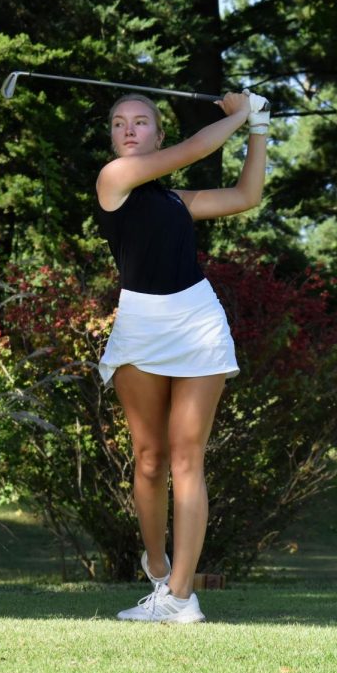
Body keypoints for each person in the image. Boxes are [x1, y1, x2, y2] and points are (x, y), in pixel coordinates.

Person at [95, 88, 269, 623]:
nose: (130, 129)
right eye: (121, 122)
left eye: (141, 122)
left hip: (197, 321)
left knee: (187, 457)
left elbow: (246, 196)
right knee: (149, 459)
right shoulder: (113, 180)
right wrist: (240, 113)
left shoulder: (177, 202)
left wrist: (258, 128)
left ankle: (179, 596)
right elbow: (196, 148)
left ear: (156, 134)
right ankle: (156, 566)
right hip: (142, 327)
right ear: (112, 136)